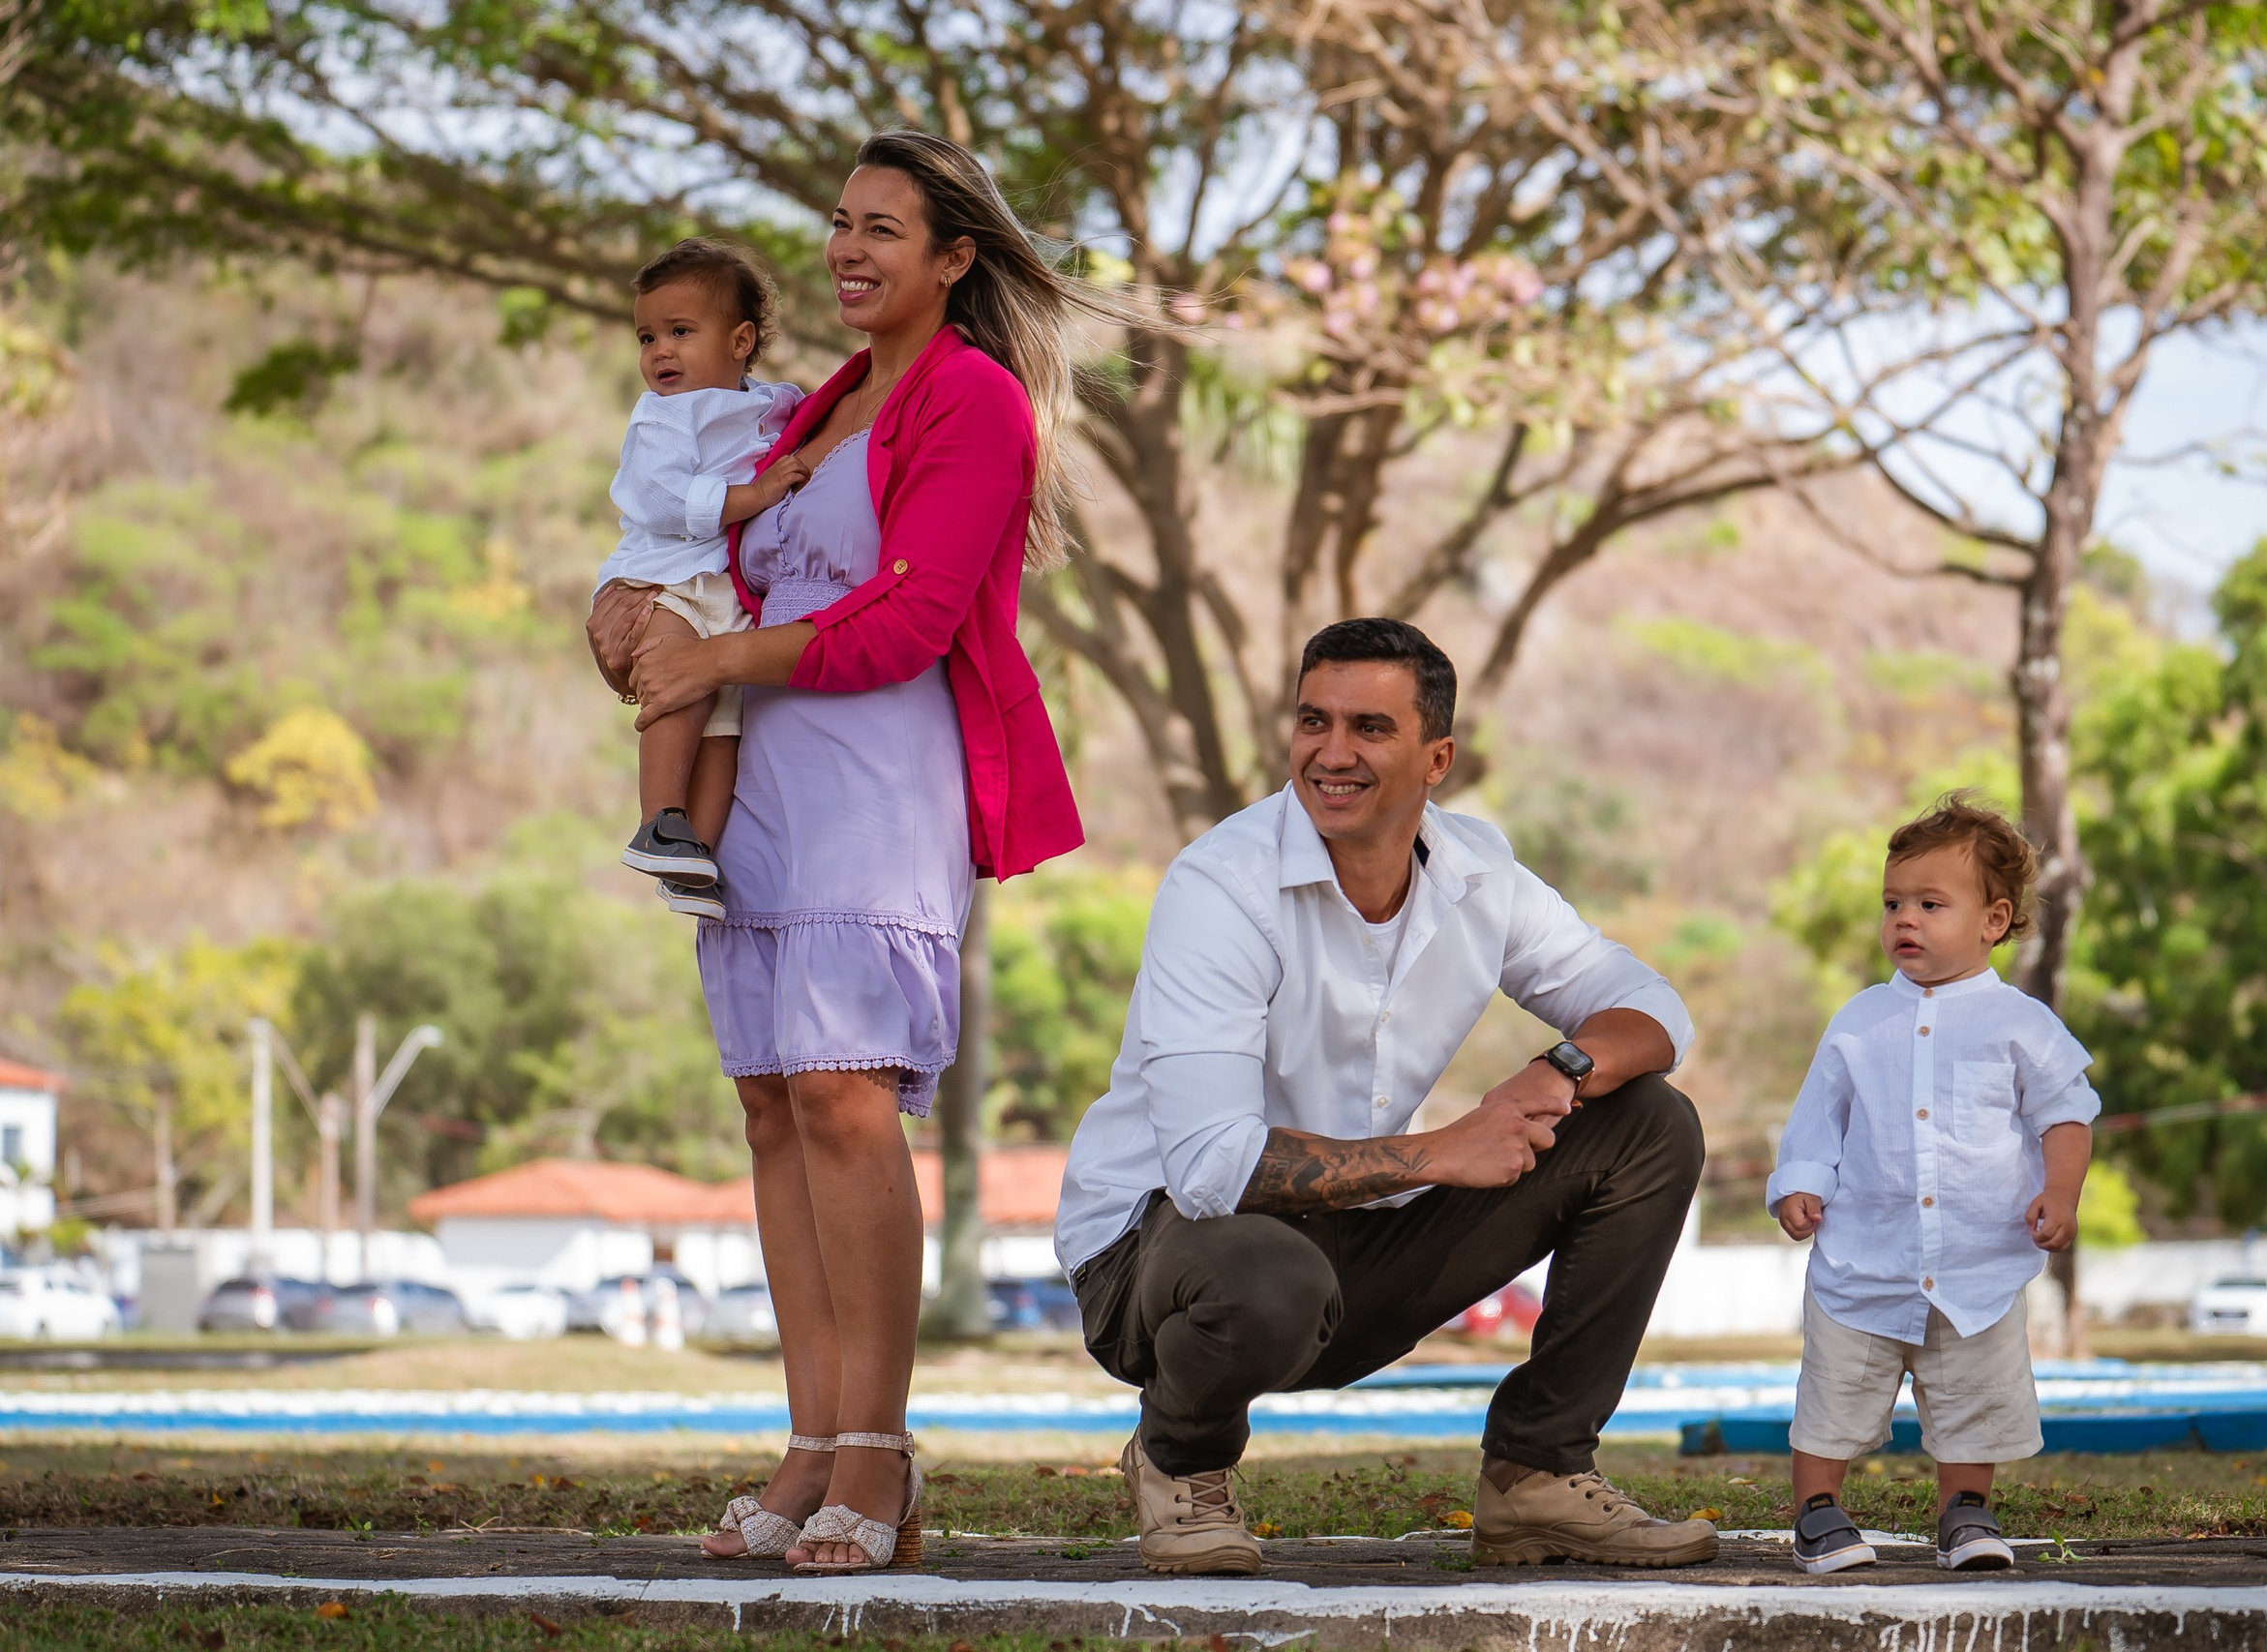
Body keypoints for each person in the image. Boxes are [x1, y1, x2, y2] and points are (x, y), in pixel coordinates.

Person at [586, 129, 1102, 1574]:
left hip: (880, 774)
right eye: (839, 222)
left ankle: (877, 1445)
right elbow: (694, 563)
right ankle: (810, 1438)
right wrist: (627, 628)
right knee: (770, 1104)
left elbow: (912, 619)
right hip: (763, 785)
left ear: (955, 258)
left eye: (887, 227)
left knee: (844, 1094)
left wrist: (707, 660)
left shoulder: (977, 403)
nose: (851, 248)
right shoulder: (806, 404)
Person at [1055, 616, 1716, 1577]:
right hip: (1160, 1266)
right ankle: (1178, 1464)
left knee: (1650, 1124)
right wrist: (1441, 1152)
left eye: (1369, 728)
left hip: (1349, 1250)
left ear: (1435, 757)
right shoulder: (1221, 885)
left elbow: (1653, 1010)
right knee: (1265, 1272)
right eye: (1312, 721)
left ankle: (1535, 1476)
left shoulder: (1479, 872)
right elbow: (1209, 1171)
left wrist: (1555, 1071)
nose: (1331, 753)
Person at [1765, 794, 2098, 1576]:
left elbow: (2067, 1113)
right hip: (1864, 1256)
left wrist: (2063, 1191)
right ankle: (1818, 1511)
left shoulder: (2021, 1021)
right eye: (1893, 902)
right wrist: (1801, 1184)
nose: (1904, 918)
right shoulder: (1860, 1017)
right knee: (1837, 1388)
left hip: (1978, 1258)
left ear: (1994, 918)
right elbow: (1819, 1113)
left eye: (1929, 903)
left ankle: (1965, 1512)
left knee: (1974, 1394)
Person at [595, 239, 812, 919]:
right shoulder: (662, 416)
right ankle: (659, 817)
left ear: (740, 340)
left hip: (726, 596)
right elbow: (664, 500)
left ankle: (695, 855)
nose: (660, 351)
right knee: (677, 693)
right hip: (664, 583)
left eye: (681, 332)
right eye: (648, 336)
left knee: (725, 726)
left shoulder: (773, 403)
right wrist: (758, 495)